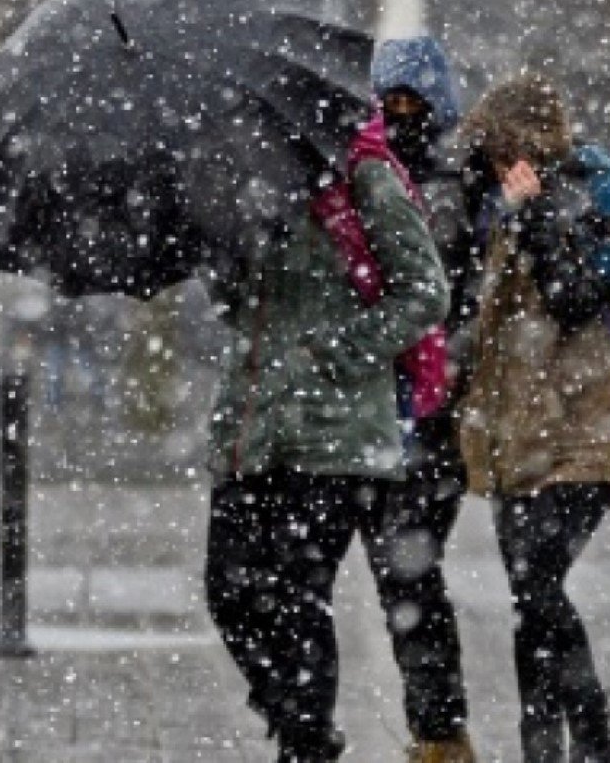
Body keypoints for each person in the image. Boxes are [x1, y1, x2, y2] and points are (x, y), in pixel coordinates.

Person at [203, 104, 451, 763]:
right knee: (228, 591)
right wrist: (222, 253)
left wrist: (339, 352)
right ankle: (298, 720)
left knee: (295, 594)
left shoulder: (363, 175)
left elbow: (425, 290)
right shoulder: (246, 179)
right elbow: (238, 305)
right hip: (250, 426)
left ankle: (305, 741)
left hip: (334, 431)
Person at [456, 73, 610, 763]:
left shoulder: (576, 199)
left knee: (538, 583)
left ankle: (593, 737)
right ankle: (543, 746)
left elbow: (575, 301)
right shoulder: (498, 206)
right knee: (529, 596)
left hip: (580, 433)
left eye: (503, 146)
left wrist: (535, 218)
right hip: (516, 436)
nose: (494, 160)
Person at [361, 37, 481, 763]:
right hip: (392, 404)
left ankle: (439, 729)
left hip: (427, 407)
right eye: (391, 101)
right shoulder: (382, 173)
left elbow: (447, 286)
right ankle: (437, 728)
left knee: (407, 572)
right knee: (404, 574)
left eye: (414, 102)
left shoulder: (451, 182)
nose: (403, 114)